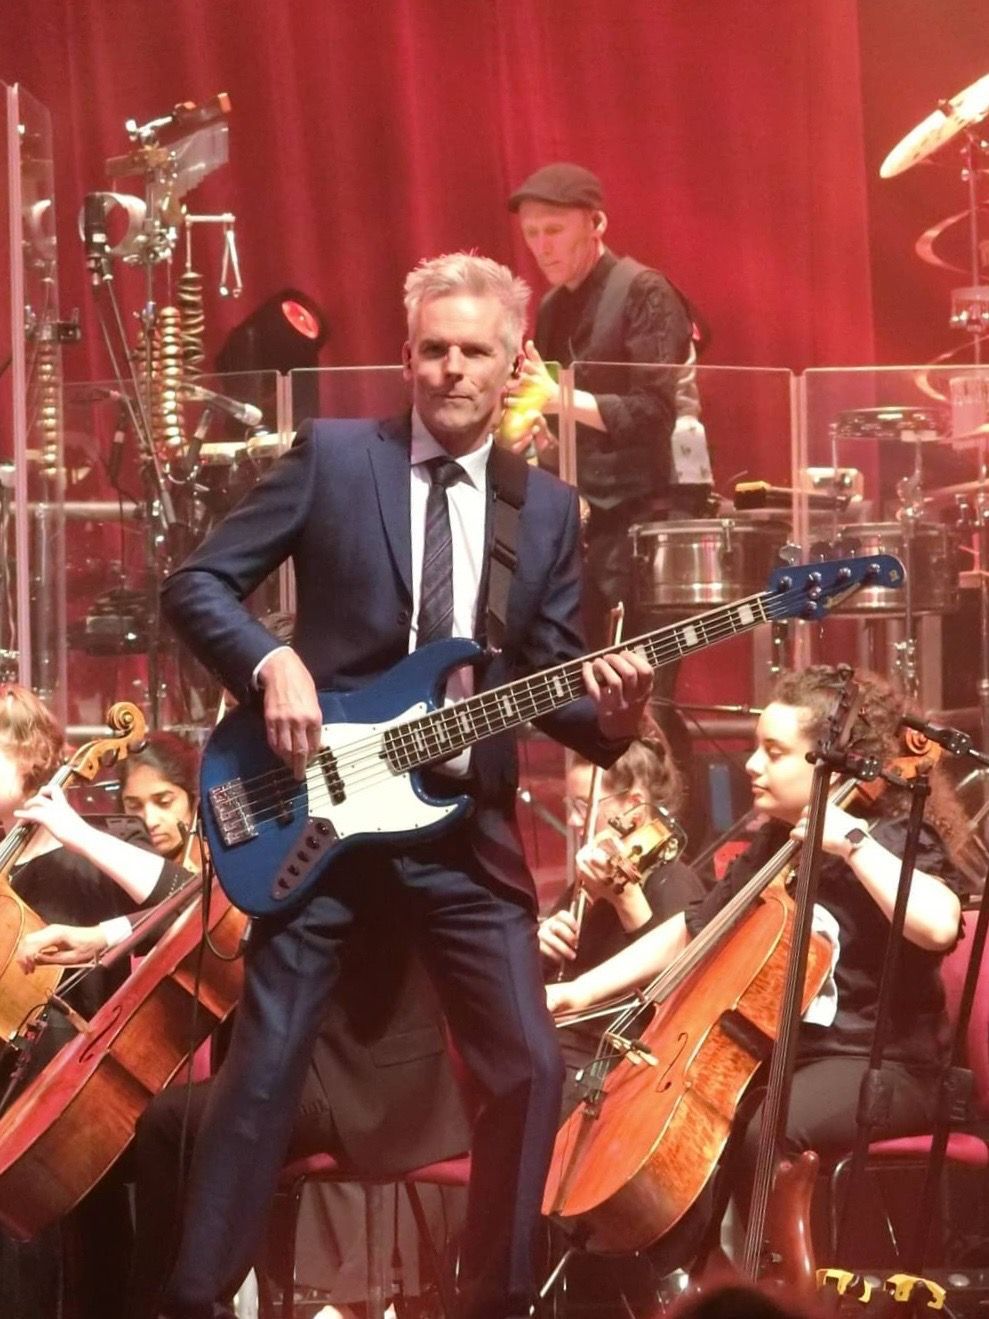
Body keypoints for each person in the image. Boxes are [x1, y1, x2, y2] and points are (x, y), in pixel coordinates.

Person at [154, 251, 654, 1319]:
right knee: (263, 1070)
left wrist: (614, 715)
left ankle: (494, 1303)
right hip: (315, 815)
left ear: (513, 364)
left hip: (458, 833)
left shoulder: (544, 508)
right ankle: (194, 1301)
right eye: (433, 350)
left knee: (528, 1067)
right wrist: (269, 661)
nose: (451, 369)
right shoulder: (336, 459)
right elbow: (195, 583)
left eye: (473, 351)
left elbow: (547, 676)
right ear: (403, 357)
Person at [546, 666, 965, 1240]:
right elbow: (696, 929)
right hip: (789, 1057)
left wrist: (851, 843)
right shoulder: (775, 842)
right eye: (756, 748)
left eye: (775, 752)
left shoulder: (892, 837)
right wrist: (579, 991)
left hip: (885, 1066)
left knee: (769, 1125)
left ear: (831, 763)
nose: (751, 765)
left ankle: (781, 1276)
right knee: (693, 1120)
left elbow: (939, 926)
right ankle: (690, 1272)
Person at [0, 686, 189, 1319]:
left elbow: (188, 905)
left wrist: (76, 832)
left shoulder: (101, 847)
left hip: (72, 1102)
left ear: (30, 757)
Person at [507, 161, 706, 645]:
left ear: (596, 223)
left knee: (640, 670)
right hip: (587, 515)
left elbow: (655, 414)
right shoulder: (552, 306)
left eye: (554, 230)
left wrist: (559, 398)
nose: (541, 246)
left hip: (650, 514)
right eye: (531, 233)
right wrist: (545, 439)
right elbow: (563, 417)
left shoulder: (646, 290)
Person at [537, 720, 706, 1116]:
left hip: (616, 1065)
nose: (574, 821)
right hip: (564, 1044)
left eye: (584, 807)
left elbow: (676, 991)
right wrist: (541, 943)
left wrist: (627, 899)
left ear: (633, 806)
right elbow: (553, 980)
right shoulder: (588, 882)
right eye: (571, 806)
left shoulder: (674, 881)